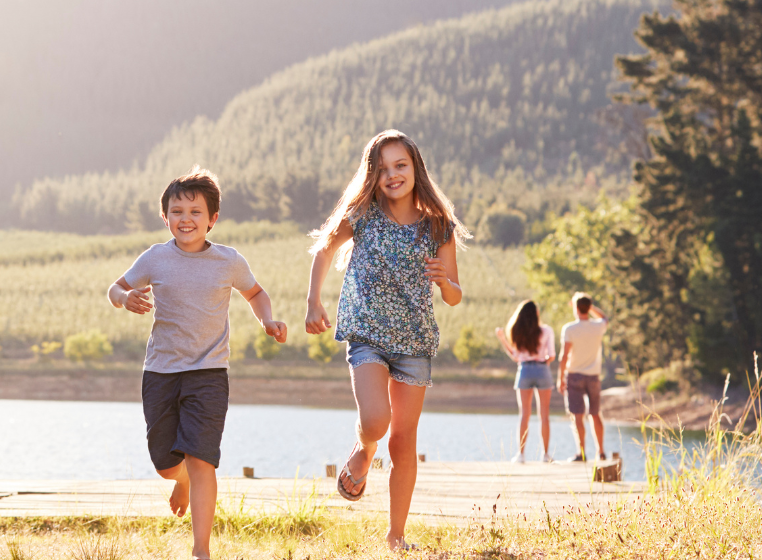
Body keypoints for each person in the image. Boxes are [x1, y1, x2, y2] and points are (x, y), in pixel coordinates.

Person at [107, 166, 287, 560]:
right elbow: (116, 287)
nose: (185, 219)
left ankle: (201, 551)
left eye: (195, 212)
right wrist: (125, 299)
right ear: (165, 217)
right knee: (164, 462)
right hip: (160, 372)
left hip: (209, 372)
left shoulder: (229, 261)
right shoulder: (155, 258)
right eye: (177, 211)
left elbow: (256, 294)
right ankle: (181, 479)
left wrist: (268, 320)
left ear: (212, 219)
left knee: (203, 458)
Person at [305, 129, 470, 550]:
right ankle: (363, 448)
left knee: (402, 441)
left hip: (415, 341)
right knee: (377, 421)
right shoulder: (363, 213)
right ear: (372, 176)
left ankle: (396, 537)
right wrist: (313, 301)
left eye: (401, 166)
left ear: (416, 168)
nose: (393, 175)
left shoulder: (438, 225)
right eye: (383, 169)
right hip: (366, 334)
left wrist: (444, 281)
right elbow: (324, 249)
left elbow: (454, 295)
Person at [495, 300, 556, 463]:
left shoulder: (517, 331)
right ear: (537, 314)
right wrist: (542, 361)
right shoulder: (546, 330)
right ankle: (545, 455)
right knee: (544, 415)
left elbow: (516, 356)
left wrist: (502, 339)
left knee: (524, 415)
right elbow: (552, 356)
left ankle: (521, 455)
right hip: (542, 369)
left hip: (525, 370)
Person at [557, 292, 608, 462]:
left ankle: (582, 453)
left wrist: (560, 377)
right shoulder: (598, 327)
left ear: (576, 308)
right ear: (587, 308)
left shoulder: (570, 329)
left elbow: (564, 356)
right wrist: (590, 305)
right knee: (595, 414)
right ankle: (600, 452)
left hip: (575, 375)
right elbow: (604, 317)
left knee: (577, 415)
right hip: (593, 376)